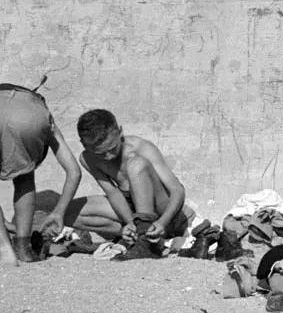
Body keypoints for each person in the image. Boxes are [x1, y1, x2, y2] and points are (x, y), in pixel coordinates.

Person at [69, 109, 197, 261]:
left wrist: (163, 222)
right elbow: (113, 193)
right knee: (67, 212)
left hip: (161, 209)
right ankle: (137, 234)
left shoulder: (141, 147)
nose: (108, 157)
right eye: (100, 153)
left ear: (120, 132)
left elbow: (177, 190)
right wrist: (129, 223)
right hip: (130, 206)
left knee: (136, 164)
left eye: (112, 148)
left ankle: (146, 243)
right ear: (84, 145)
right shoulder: (87, 158)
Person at [0, 80, 82, 264]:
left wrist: (2, 224)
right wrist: (59, 212)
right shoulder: (41, 113)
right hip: (30, 118)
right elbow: (74, 171)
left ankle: (3, 250)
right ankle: (23, 248)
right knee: (24, 176)